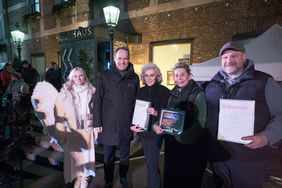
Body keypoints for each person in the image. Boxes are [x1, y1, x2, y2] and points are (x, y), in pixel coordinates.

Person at [204, 41, 282, 188]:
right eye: (225, 57)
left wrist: (267, 137)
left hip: (249, 160)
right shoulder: (212, 84)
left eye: (234, 56)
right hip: (218, 156)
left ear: (244, 57)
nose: (229, 61)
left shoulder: (264, 81)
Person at [153, 62, 207, 188]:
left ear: (189, 76)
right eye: (176, 76)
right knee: (172, 176)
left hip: (191, 144)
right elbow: (167, 114)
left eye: (182, 75)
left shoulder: (198, 93)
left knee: (187, 178)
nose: (179, 78)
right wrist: (157, 125)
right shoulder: (173, 93)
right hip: (173, 143)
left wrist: (183, 137)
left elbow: (201, 122)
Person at [93, 47, 140, 188]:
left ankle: (123, 178)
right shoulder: (104, 75)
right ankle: (108, 180)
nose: (122, 61)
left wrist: (137, 121)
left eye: (125, 58)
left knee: (125, 156)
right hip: (108, 123)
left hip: (127, 123)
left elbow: (138, 102)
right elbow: (98, 100)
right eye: (119, 58)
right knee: (108, 156)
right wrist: (97, 122)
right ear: (114, 59)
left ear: (129, 59)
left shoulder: (134, 77)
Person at [54, 67, 96, 188]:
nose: (78, 78)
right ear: (72, 77)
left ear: (84, 76)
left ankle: (84, 178)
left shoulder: (91, 90)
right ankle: (77, 177)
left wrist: (94, 123)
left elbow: (96, 109)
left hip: (87, 126)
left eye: (81, 75)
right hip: (72, 128)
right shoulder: (65, 92)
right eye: (76, 76)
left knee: (87, 154)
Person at [130, 63, 170, 188]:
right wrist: (132, 124)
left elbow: (168, 114)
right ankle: (151, 184)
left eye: (152, 75)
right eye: (146, 76)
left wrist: (156, 112)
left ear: (157, 76)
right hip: (143, 132)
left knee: (152, 164)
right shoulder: (140, 91)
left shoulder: (165, 91)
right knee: (149, 163)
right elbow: (134, 110)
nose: (149, 78)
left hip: (155, 133)